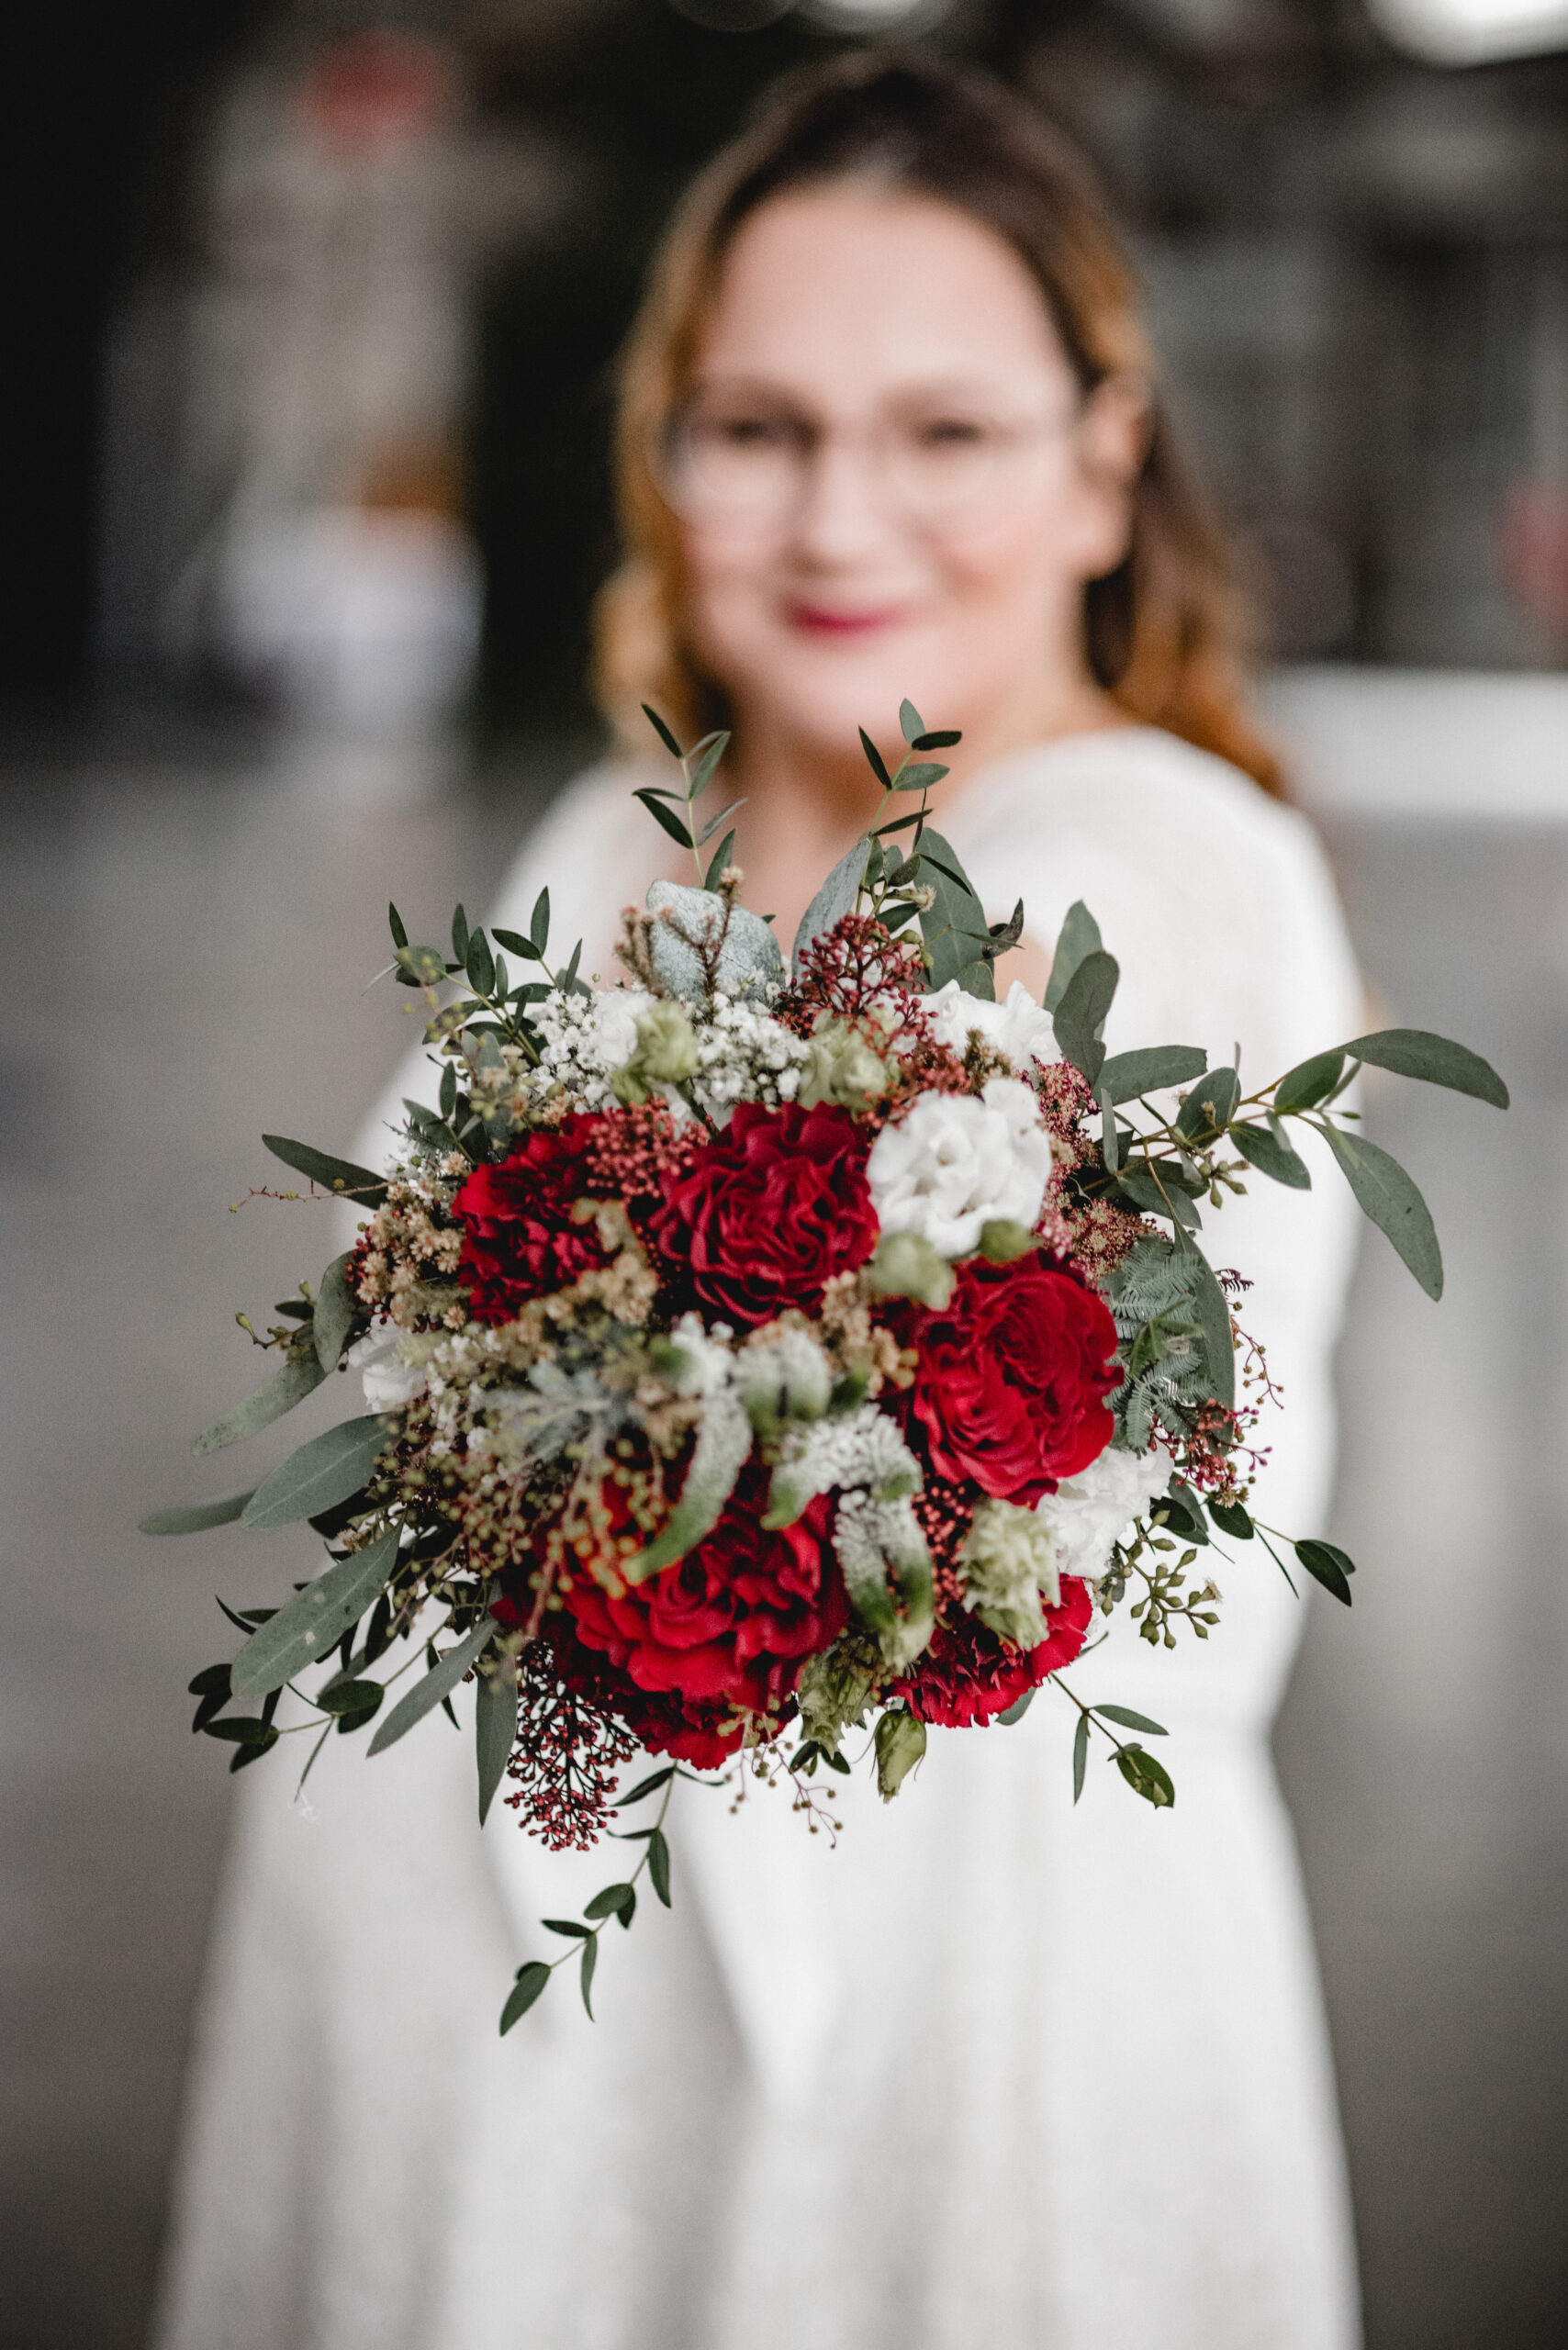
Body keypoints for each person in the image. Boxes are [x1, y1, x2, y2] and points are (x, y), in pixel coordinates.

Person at [157, 52, 1364, 2350]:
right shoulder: (608, 845)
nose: (835, 520)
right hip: (451, 2006)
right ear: (667, 452)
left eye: (941, 432)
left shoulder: (1151, 867)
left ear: (1102, 462)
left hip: (924, 2028)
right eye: (758, 427)